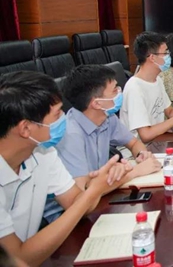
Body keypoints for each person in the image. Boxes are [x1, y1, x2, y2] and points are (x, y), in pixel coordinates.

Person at [0, 71, 129, 266]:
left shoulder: (44, 153)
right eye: (58, 114)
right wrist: (94, 190)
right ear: (25, 129)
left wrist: (97, 185)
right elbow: (17, 258)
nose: (64, 119)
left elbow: (76, 203)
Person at [47, 65, 163, 222]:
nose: (120, 93)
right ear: (97, 103)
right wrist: (133, 172)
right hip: (66, 218)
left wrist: (142, 155)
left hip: (99, 199)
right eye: (115, 90)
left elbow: (134, 142)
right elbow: (81, 196)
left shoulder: (107, 117)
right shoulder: (70, 135)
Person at [121, 32, 173, 143]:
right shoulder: (135, 88)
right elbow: (146, 135)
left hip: (159, 141)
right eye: (165, 53)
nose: (169, 56)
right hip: (142, 149)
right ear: (152, 57)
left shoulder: (157, 80)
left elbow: (169, 111)